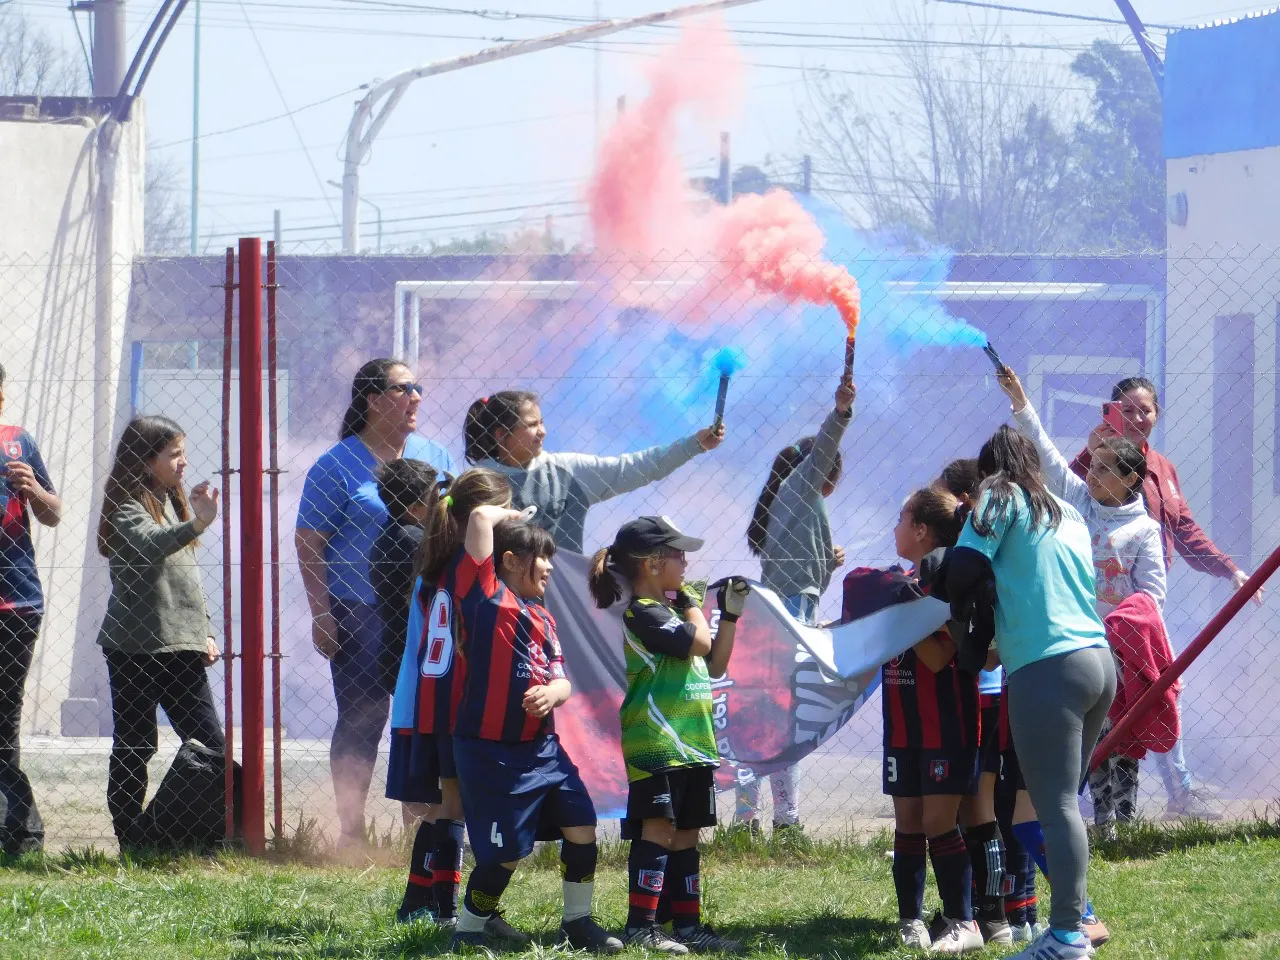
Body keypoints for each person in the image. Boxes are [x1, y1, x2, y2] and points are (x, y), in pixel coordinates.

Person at [947, 425, 1117, 960]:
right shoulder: (1065, 512)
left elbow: (962, 570)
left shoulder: (1000, 493)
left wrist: (957, 608)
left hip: (1048, 668)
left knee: (1057, 805)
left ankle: (1068, 934)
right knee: (1060, 803)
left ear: (992, 470)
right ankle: (1073, 922)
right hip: (1097, 662)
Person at [1069, 375, 1257, 819]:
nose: (1137, 419)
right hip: (1095, 614)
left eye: (1145, 410)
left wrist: (1229, 568)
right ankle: (1084, 796)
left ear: (1157, 415)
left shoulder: (1164, 468)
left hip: (1143, 612)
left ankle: (1179, 792)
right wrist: (1090, 449)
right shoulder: (1093, 462)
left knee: (1155, 694)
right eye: (1126, 410)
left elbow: (1185, 529)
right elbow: (1069, 493)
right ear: (1109, 412)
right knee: (1102, 705)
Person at [296, 358, 457, 849]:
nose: (416, 397)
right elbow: (309, 541)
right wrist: (322, 614)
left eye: (418, 387)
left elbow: (453, 524)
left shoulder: (435, 454)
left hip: (429, 613)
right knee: (365, 714)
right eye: (404, 388)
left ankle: (422, 830)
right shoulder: (337, 465)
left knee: (428, 714)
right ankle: (350, 832)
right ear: (372, 399)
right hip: (359, 610)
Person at [999, 367, 1166, 839]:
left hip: (1123, 651)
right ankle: (1101, 822)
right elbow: (1050, 459)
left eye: (1102, 469)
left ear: (1130, 477)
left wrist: (1122, 631)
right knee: (1090, 737)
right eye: (1091, 467)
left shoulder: (1144, 531)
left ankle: (1126, 823)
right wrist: (1021, 402)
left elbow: (1151, 597)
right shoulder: (1078, 506)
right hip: (1081, 643)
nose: (1089, 475)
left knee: (1124, 738)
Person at [448, 506, 621, 954]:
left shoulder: (543, 617)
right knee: (506, 853)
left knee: (582, 824)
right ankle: (468, 929)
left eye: (550, 556)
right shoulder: (483, 597)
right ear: (508, 561)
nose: (548, 566)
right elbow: (480, 517)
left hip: (543, 748)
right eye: (539, 556)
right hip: (491, 752)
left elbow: (561, 677)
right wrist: (514, 512)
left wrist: (552, 695)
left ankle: (577, 923)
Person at [589, 516, 749, 955]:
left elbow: (714, 665)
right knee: (659, 827)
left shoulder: (674, 610)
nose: (686, 562)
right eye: (678, 554)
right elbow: (698, 643)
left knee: (687, 833)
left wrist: (729, 616)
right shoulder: (644, 611)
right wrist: (696, 604)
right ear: (652, 563)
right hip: (657, 740)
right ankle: (641, 925)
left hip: (694, 740)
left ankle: (687, 925)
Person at [385, 468, 514, 928]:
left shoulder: (432, 569)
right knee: (456, 807)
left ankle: (419, 902)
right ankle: (448, 911)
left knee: (442, 808)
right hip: (454, 706)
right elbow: (481, 515)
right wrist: (513, 513)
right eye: (507, 514)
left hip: (429, 702)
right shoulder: (468, 565)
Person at [96, 416, 225, 851]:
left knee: (210, 747)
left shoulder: (170, 502)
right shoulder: (126, 507)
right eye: (174, 454)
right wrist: (198, 524)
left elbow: (188, 580)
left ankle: (189, 837)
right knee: (135, 746)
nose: (184, 463)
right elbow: (152, 543)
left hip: (179, 647)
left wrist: (204, 630)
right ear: (145, 459)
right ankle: (133, 838)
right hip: (134, 648)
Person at [737, 376, 854, 835]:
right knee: (787, 721)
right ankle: (784, 821)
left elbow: (806, 562)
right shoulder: (803, 486)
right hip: (791, 611)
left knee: (766, 717)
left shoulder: (785, 498)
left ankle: (747, 818)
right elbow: (824, 450)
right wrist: (840, 413)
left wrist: (829, 559)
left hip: (782, 609)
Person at [881, 488, 985, 954]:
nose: (896, 527)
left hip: (946, 723)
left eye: (901, 518)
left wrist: (902, 613)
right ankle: (911, 920)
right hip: (903, 723)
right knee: (907, 822)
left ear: (921, 529)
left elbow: (942, 657)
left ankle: (965, 922)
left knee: (939, 821)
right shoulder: (897, 583)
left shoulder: (943, 581)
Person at [464, 390, 724, 553]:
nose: (542, 431)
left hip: (560, 599)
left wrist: (694, 444)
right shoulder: (479, 483)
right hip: (499, 604)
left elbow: (634, 468)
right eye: (531, 425)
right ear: (502, 435)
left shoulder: (566, 471)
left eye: (542, 422)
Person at [936, 460, 1014, 948]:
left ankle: (989, 917)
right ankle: (991, 918)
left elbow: (989, 650)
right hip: (982, 697)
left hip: (977, 699)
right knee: (976, 810)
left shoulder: (964, 569)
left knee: (976, 809)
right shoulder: (980, 561)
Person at [0, 361, 62, 854]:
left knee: (4, 718)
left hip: (15, 603)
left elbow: (53, 513)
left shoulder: (17, 443)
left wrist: (33, 488)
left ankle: (18, 834)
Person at [371, 458, 440, 699]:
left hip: (398, 653)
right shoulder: (412, 541)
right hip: (410, 656)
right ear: (414, 510)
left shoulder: (393, 532)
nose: (440, 502)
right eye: (434, 497)